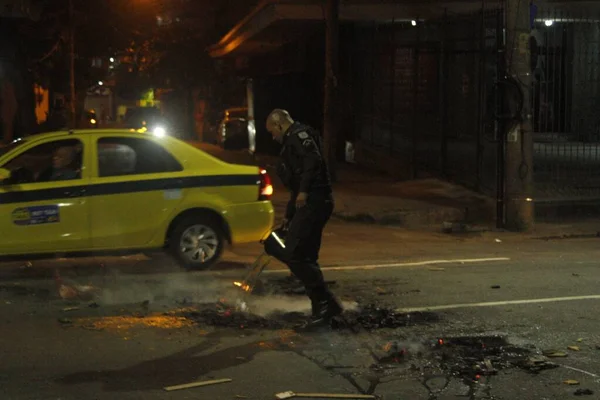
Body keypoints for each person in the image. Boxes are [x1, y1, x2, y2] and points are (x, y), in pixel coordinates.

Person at [266, 109, 342, 327]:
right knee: (305, 255)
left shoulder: (300, 136)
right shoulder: (293, 139)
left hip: (315, 202)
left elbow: (313, 161)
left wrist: (304, 192)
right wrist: (289, 216)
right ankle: (323, 308)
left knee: (296, 254)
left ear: (279, 125)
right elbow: (296, 185)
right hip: (312, 203)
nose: (273, 137)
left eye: (272, 132)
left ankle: (326, 303)